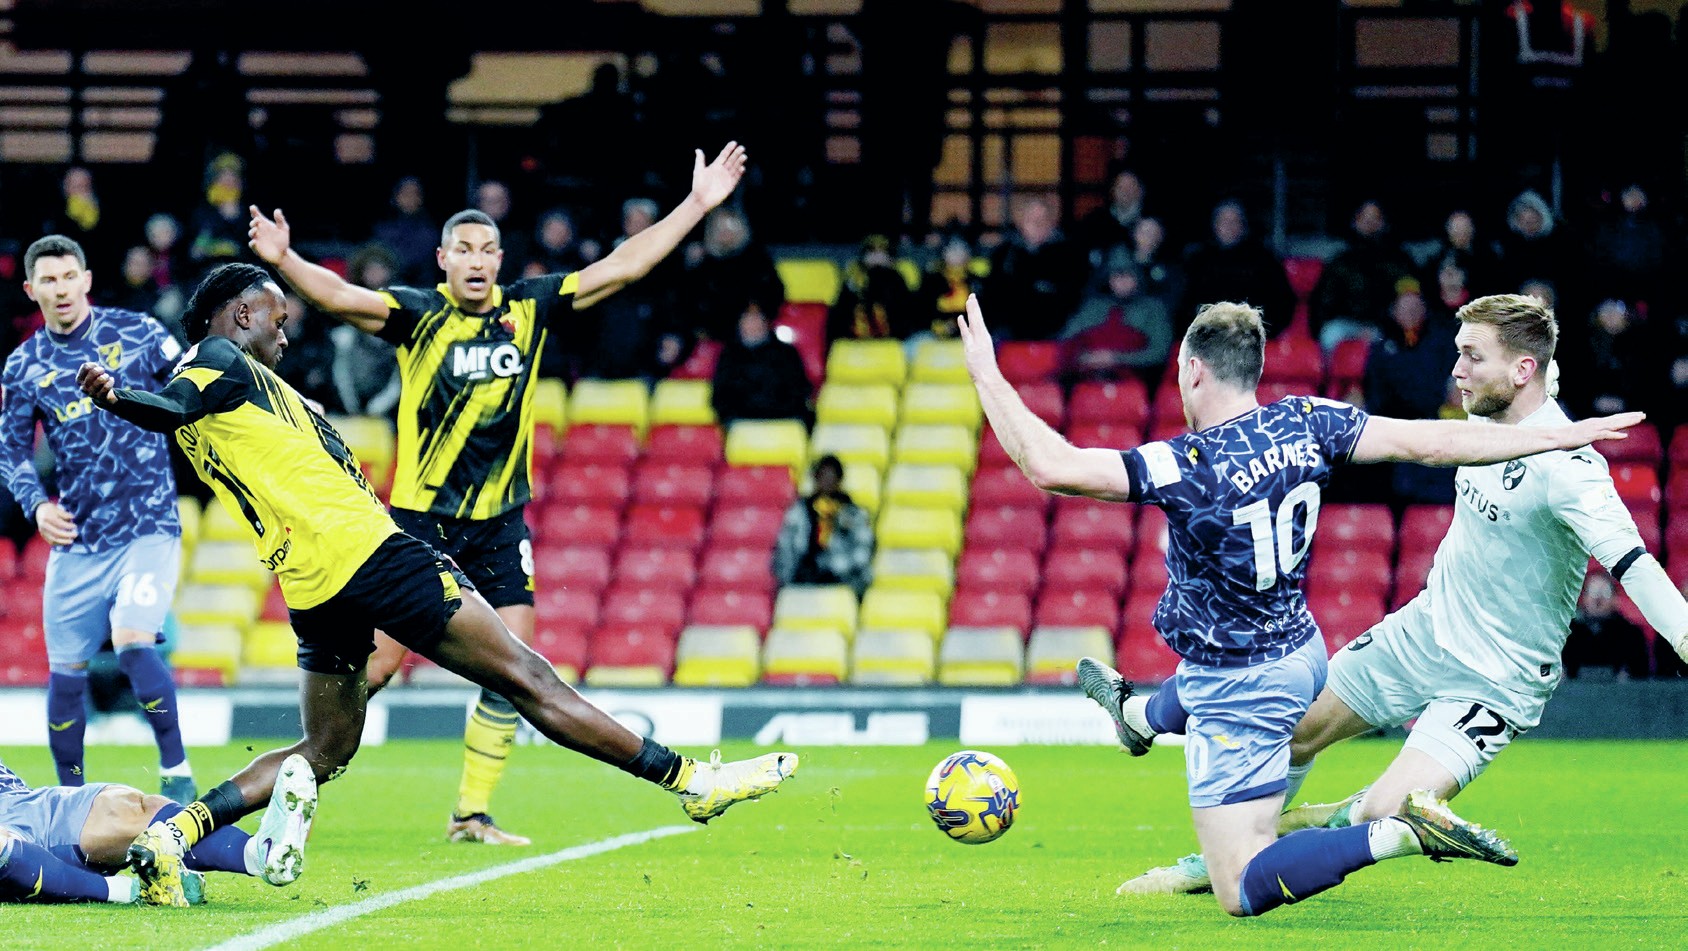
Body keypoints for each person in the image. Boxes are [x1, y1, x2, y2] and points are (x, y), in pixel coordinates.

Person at [76, 263, 799, 906]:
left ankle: (175, 833)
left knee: (324, 749)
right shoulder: (218, 359)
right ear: (242, 312)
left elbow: (192, 414)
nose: (286, 335)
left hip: (311, 584)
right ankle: (690, 782)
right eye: (278, 318)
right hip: (371, 555)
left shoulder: (245, 388)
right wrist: (118, 398)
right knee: (527, 677)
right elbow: (172, 406)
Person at [956, 291, 1646, 917]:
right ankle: (1136, 716)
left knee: (1239, 884)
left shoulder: (1183, 463)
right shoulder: (1305, 421)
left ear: (1192, 371)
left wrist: (987, 375)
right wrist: (1551, 434)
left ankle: (1396, 831)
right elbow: (1429, 441)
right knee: (1204, 676)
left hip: (1241, 679)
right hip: (1299, 649)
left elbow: (1050, 465)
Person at [244, 143, 761, 848]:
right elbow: (340, 297)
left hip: (498, 525)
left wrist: (697, 204)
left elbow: (621, 266)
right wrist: (285, 259)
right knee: (382, 666)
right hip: (421, 525)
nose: (477, 259)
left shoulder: (530, 308)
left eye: (487, 248)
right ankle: (302, 769)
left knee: (516, 667)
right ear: (442, 260)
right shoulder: (418, 315)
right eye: (463, 248)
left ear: (500, 260)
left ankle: (471, 812)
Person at [0, 235, 197, 805]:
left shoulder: (138, 332)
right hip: (79, 539)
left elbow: (195, 382)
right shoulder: (23, 365)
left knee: (134, 641)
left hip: (148, 523)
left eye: (70, 277)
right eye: (49, 280)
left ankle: (177, 774)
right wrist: (37, 505)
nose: (61, 289)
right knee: (65, 677)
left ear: (86, 280)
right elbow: (11, 450)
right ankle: (72, 803)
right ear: (31, 289)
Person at [0, 752, 314, 904]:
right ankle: (129, 891)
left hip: (21, 803)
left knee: (129, 806)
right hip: (15, 834)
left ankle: (259, 854)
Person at [773, 454, 875, 598]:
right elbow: (785, 549)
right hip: (803, 583)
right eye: (822, 476)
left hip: (841, 583)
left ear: (839, 480)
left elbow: (862, 554)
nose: (827, 481)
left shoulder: (854, 514)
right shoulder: (799, 512)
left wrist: (833, 567)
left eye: (831, 476)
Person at [711, 292, 813, 429]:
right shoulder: (729, 355)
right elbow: (721, 397)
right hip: (741, 423)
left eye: (757, 317)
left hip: (782, 421)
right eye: (747, 318)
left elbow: (799, 391)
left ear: (766, 321)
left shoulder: (787, 353)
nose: (752, 323)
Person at [1564, 570, 1651, 680]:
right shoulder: (1565, 633)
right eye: (1593, 593)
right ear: (1583, 598)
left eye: (1605, 593)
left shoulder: (1631, 634)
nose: (1598, 600)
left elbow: (1641, 676)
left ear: (1615, 599)